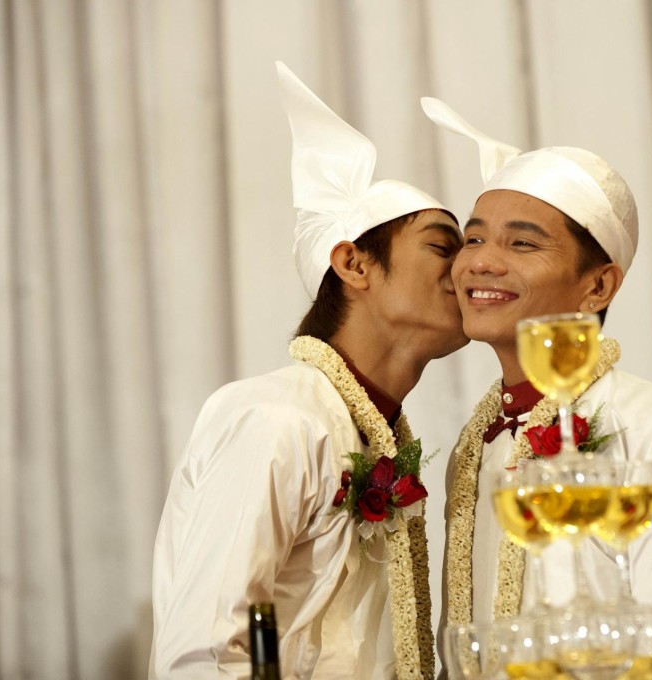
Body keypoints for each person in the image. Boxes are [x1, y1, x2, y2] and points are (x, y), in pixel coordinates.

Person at [149, 64, 466, 680]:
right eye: (442, 246)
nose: (466, 270)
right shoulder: (275, 418)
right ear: (353, 263)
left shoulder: (377, 431)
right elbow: (203, 658)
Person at [423, 98, 652, 679]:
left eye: (521, 244)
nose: (481, 263)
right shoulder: (480, 444)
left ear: (597, 287)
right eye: (473, 240)